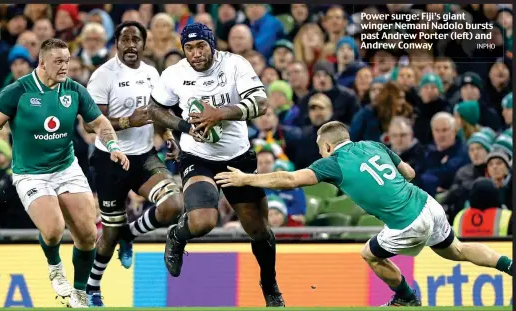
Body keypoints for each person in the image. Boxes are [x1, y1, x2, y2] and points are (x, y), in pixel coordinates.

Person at [215, 121, 513, 307]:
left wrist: (246, 179)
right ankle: (510, 266)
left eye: (321, 149)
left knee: (369, 254)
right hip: (425, 203)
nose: (321, 154)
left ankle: (406, 298)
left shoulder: (333, 163)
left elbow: (290, 180)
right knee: (456, 250)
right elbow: (408, 172)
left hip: (407, 221)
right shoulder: (374, 145)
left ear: (329, 146)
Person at [0, 38, 130, 308]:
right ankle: (54, 267)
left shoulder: (74, 90)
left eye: (68, 60)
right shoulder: (18, 91)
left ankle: (80, 293)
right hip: (30, 173)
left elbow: (99, 122)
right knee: (53, 230)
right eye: (58, 61)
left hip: (66, 168)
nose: (64, 67)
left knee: (87, 234)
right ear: (42, 62)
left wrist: (113, 146)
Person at [147, 22, 285, 307]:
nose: (195, 53)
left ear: (212, 45)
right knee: (203, 221)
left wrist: (220, 114)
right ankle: (177, 235)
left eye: (201, 46)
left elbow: (260, 103)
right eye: (189, 47)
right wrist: (184, 126)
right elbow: (154, 108)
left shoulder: (235, 64)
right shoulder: (174, 74)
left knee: (259, 230)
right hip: (197, 156)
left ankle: (269, 284)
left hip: (238, 157)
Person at [83, 21, 183, 307]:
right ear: (116, 43)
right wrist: (128, 121)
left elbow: (159, 112)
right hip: (110, 160)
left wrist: (168, 135)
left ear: (143, 43)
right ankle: (92, 288)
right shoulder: (103, 76)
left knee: (174, 205)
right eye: (125, 39)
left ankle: (129, 235)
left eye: (135, 40)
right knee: (108, 234)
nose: (130, 45)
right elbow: (92, 124)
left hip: (144, 156)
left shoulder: (152, 73)